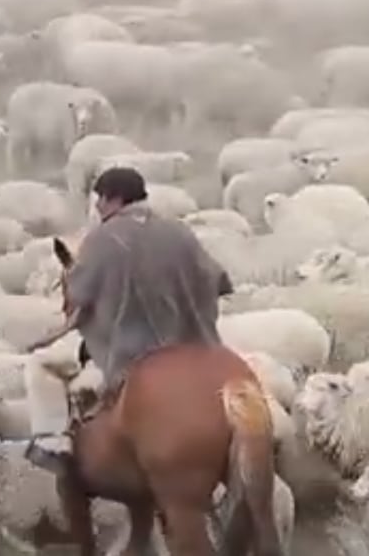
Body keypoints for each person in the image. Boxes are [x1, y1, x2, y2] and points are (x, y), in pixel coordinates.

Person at [27, 166, 233, 463]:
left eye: (100, 198)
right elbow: (219, 282)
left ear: (115, 199)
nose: (97, 206)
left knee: (40, 364)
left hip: (129, 354)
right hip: (194, 347)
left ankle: (53, 440)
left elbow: (80, 293)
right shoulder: (179, 231)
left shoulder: (102, 238)